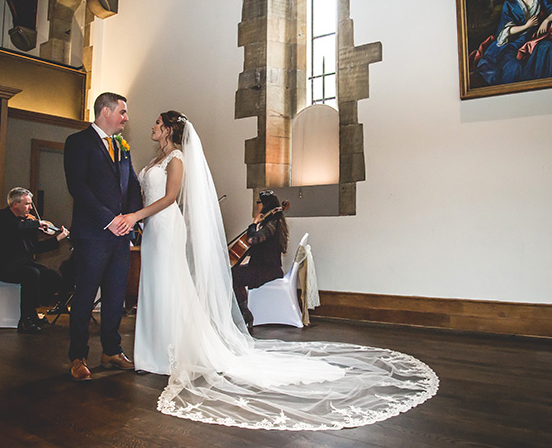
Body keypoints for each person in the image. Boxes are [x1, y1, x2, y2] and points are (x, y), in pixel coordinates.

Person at [118, 111, 439, 430]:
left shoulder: (176, 158)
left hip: (164, 224)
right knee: (155, 287)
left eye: (158, 123)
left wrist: (136, 216)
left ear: (170, 128)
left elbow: (171, 197)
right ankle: (152, 352)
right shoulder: (154, 158)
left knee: (171, 286)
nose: (153, 126)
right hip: (151, 228)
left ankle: (173, 352)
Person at [63, 92, 143, 381]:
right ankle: (78, 356)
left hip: (121, 235)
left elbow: (132, 184)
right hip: (93, 234)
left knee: (115, 297)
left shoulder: (122, 146)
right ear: (105, 112)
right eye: (122, 112)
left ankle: (111, 350)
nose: (126, 118)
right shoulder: (78, 142)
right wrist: (108, 220)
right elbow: (78, 187)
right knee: (85, 297)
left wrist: (130, 219)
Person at [0, 187, 69, 334]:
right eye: (27, 204)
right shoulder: (0, 218)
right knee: (32, 274)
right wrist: (37, 224)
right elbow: (15, 227)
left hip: (21, 264)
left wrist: (58, 238)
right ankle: (25, 320)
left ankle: (33, 312)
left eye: (31, 204)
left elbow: (35, 248)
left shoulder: (26, 223)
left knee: (54, 276)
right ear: (15, 204)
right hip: (1, 267)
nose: (30, 208)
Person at [231, 189, 288, 328]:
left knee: (231, 275)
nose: (257, 204)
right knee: (234, 272)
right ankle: (242, 310)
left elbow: (252, 239)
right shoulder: (273, 222)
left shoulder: (272, 224)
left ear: (264, 205)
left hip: (267, 271)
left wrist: (254, 222)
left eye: (258, 202)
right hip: (264, 268)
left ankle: (244, 313)